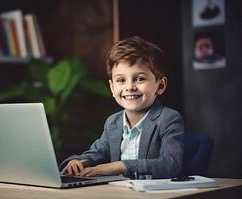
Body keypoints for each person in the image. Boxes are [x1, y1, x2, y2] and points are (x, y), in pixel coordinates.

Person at [60, 36, 184, 179]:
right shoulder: (113, 122)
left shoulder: (168, 119)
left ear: (160, 85)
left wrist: (121, 165)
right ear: (112, 88)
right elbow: (96, 153)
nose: (129, 87)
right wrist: (76, 162)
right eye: (121, 80)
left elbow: (170, 165)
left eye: (139, 78)